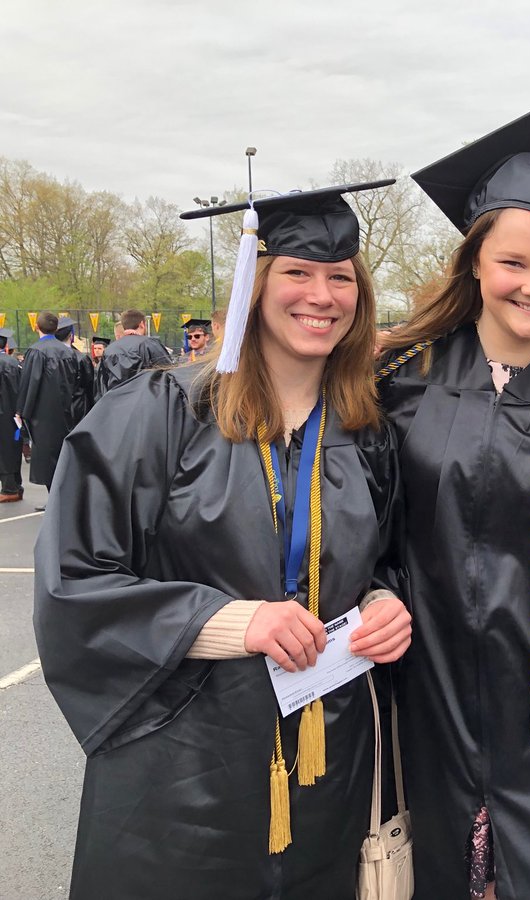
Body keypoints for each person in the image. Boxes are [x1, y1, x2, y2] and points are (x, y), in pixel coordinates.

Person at [33, 181, 414, 899]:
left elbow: (388, 560)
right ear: (253, 283)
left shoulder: (367, 433)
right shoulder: (159, 414)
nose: (321, 295)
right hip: (184, 768)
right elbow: (75, 579)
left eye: (341, 278)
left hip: (327, 758)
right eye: (297, 273)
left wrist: (387, 600)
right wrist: (234, 622)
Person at [376, 103, 530, 900]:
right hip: (431, 689)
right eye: (513, 263)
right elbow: (363, 529)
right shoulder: (400, 379)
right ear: (475, 265)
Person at [16, 311, 91, 504]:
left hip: (43, 414)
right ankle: (65, 497)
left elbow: (30, 384)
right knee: (63, 456)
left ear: (36, 327)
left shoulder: (36, 351)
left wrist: (22, 411)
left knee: (48, 459)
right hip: (67, 411)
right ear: (56, 328)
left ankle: (57, 500)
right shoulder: (69, 352)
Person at [95, 308, 171, 399]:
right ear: (142, 324)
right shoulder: (150, 345)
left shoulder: (109, 350)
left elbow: (102, 384)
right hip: (146, 404)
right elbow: (168, 373)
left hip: (117, 404)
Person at [55, 315, 95, 425]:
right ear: (71, 335)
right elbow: (90, 386)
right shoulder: (81, 358)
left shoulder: (49, 357)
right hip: (79, 407)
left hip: (55, 409)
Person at [0, 327, 21, 502]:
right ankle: (17, 484)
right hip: (15, 414)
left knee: (3, 451)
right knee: (13, 448)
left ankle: (9, 489)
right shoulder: (14, 363)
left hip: (1, 414)